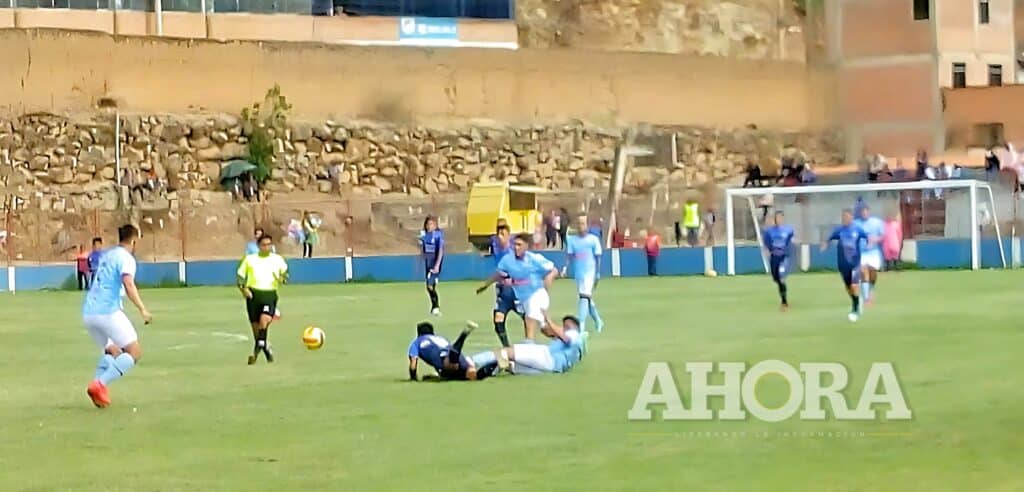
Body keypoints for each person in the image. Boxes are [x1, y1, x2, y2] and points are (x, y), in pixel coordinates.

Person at [83, 224, 152, 408]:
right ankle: (100, 384)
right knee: (134, 352)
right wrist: (142, 309)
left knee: (112, 351)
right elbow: (128, 283)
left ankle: (96, 387)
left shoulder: (108, 255)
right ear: (134, 240)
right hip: (108, 312)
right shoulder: (126, 258)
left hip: (89, 312)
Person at [477, 233, 560, 342]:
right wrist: (486, 285)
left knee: (529, 321)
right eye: (515, 244)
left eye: (519, 245)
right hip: (524, 300)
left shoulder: (534, 259)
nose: (516, 247)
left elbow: (554, 270)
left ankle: (527, 348)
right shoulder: (507, 260)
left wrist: (549, 280)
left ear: (527, 246)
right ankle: (567, 338)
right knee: (545, 329)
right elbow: (499, 274)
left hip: (538, 295)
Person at [471, 316, 586, 376]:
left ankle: (470, 362)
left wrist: (549, 320)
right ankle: (480, 372)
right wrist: (543, 322)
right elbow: (549, 332)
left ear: (573, 326)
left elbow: (565, 338)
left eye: (565, 326)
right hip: (552, 368)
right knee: (509, 365)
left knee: (505, 352)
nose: (563, 328)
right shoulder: (576, 346)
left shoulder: (574, 334)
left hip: (546, 357)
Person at [237, 233, 288, 365]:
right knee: (256, 329)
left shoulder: (277, 259)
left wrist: (282, 279)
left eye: (269, 244)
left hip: (269, 295)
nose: (267, 247)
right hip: (253, 295)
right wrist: (244, 289)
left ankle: (255, 352)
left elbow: (285, 275)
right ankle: (265, 349)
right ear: (258, 246)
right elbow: (240, 277)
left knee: (264, 320)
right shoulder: (250, 259)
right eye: (264, 245)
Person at [821, 210, 870, 322]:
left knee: (854, 285)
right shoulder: (839, 230)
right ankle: (856, 300)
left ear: (851, 217)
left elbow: (866, 237)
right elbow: (829, 239)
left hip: (855, 263)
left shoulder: (857, 229)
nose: (845, 219)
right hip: (843, 264)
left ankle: (855, 308)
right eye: (843, 217)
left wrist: (869, 244)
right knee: (848, 287)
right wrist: (825, 245)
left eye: (847, 217)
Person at [408, 321, 497, 381]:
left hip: (447, 359)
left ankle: (463, 335)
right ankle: (499, 362)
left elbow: (413, 364)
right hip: (458, 357)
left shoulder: (416, 342)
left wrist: (413, 378)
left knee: (451, 365)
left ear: (419, 333)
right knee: (472, 376)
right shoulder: (439, 338)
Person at [565, 215, 605, 333]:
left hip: (589, 272)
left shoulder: (593, 239)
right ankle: (598, 320)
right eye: (579, 223)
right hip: (579, 274)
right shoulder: (572, 240)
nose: (580, 226)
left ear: (587, 225)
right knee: (586, 298)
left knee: (584, 296)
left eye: (583, 223)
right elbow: (569, 256)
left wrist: (597, 273)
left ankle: (580, 325)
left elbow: (598, 257)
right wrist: (565, 268)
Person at [486, 221, 519, 347]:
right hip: (502, 291)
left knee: (530, 318)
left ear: (508, 235)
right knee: (498, 321)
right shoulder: (495, 245)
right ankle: (507, 347)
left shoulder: (515, 249)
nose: (500, 236)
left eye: (503, 234)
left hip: (516, 291)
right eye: (498, 233)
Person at [762, 211, 795, 310]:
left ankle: (784, 302)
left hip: (784, 257)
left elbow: (790, 241)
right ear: (775, 219)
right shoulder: (769, 231)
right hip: (774, 257)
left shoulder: (789, 230)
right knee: (776, 278)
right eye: (777, 218)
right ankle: (782, 290)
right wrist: (768, 250)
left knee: (781, 277)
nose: (779, 220)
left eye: (781, 218)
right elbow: (766, 242)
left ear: (783, 218)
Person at [854, 205, 886, 305]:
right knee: (864, 273)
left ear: (869, 211)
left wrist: (876, 239)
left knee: (873, 274)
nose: (864, 213)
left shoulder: (876, 222)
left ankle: (871, 289)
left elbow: (883, 235)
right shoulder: (856, 224)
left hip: (873, 253)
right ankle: (867, 298)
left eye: (866, 211)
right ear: (860, 213)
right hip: (861, 253)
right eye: (862, 212)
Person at [420, 216, 445, 316]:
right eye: (428, 224)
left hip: (435, 264)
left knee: (430, 286)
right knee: (429, 286)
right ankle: (434, 307)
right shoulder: (425, 236)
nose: (429, 226)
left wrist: (437, 265)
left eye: (431, 224)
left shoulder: (438, 235)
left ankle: (436, 307)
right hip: (428, 264)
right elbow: (423, 249)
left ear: (435, 225)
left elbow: (441, 251)